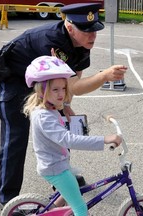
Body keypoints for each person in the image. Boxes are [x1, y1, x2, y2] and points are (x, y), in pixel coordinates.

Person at [0, 3, 127, 208]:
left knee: (61, 126)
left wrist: (66, 103)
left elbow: (72, 77)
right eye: (86, 31)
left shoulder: (82, 42)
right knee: (16, 139)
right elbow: (75, 86)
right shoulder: (53, 42)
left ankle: (65, 179)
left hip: (48, 86)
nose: (92, 36)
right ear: (70, 28)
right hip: (15, 82)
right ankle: (9, 201)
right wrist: (104, 76)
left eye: (94, 30)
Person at [23, 55, 122, 216]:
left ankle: (53, 209)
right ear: (42, 90)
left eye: (63, 88)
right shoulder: (44, 116)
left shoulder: (48, 108)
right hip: (55, 168)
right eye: (55, 89)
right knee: (81, 209)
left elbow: (60, 133)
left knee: (71, 189)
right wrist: (104, 139)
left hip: (56, 163)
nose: (61, 93)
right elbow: (68, 139)